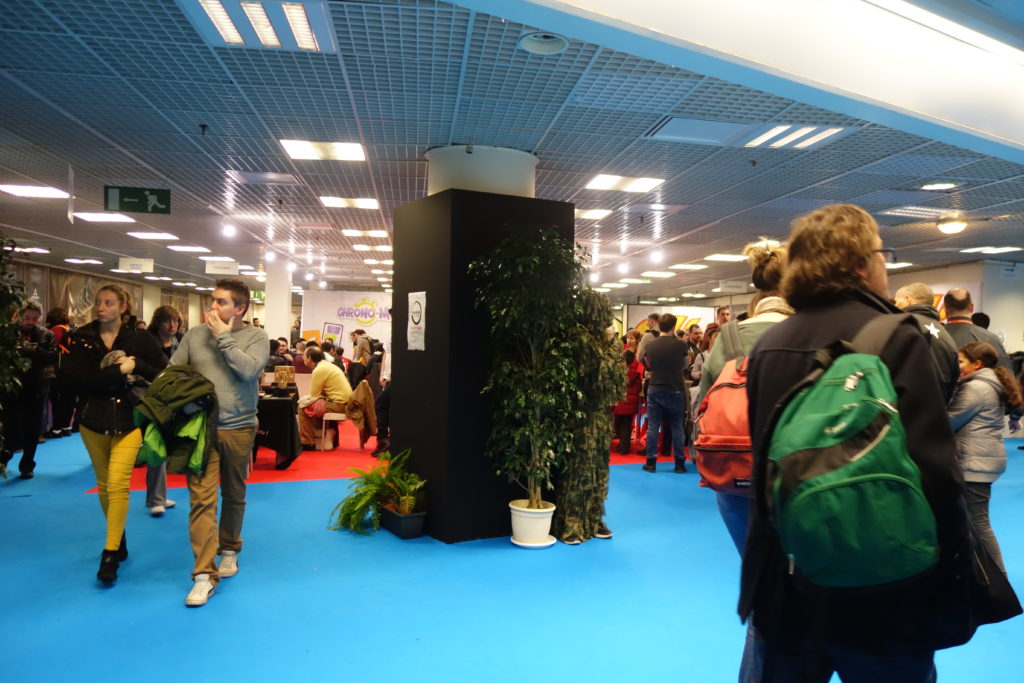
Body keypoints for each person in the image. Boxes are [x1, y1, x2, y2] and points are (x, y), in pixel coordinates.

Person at [741, 204, 971, 681]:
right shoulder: (898, 337)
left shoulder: (769, 345)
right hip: (883, 584)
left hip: (790, 572)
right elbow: (933, 469)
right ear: (861, 263)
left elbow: (765, 459)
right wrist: (949, 564)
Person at [170, 279, 268, 607]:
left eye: (221, 302)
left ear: (240, 308)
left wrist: (223, 338)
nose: (213, 307)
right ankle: (203, 574)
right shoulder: (194, 335)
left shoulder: (256, 337)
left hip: (239, 428)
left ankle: (229, 548)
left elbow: (248, 371)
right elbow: (173, 372)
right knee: (201, 500)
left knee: (234, 493)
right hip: (201, 429)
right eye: (212, 300)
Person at [60, 285, 167, 583]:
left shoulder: (139, 338)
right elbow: (76, 380)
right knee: (105, 485)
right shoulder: (81, 338)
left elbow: (163, 372)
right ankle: (118, 538)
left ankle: (109, 553)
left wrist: (137, 365)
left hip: (129, 421)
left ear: (123, 307)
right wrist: (117, 373)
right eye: (98, 302)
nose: (101, 307)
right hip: (91, 422)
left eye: (108, 303)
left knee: (118, 484)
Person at [948, 341, 1023, 574]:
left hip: (975, 462)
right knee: (973, 522)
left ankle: (998, 578)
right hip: (981, 458)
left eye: (961, 361)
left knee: (979, 524)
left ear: (977, 364)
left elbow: (950, 420)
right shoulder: (987, 383)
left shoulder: (976, 388)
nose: (957, 365)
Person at [1, 302, 57, 479]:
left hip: (36, 386)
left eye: (35, 318)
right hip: (12, 386)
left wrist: (34, 350)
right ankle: (3, 459)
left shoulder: (47, 335)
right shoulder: (8, 333)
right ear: (19, 316)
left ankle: (27, 465)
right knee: (8, 425)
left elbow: (52, 357)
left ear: (40, 318)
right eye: (27, 318)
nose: (31, 322)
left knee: (32, 427)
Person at [145, 305, 184, 516]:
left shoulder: (180, 343)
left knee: (164, 448)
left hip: (173, 399)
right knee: (157, 447)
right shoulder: (148, 343)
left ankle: (155, 496)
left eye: (175, 321)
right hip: (150, 400)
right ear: (158, 322)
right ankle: (156, 499)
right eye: (167, 320)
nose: (172, 325)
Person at [893, 283, 960, 402]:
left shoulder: (900, 325)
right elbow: (954, 376)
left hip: (905, 406)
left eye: (896, 301)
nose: (895, 305)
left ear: (908, 299)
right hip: (938, 406)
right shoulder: (946, 334)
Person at [640, 313, 689, 474]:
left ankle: (651, 462)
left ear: (658, 325)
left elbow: (648, 365)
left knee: (653, 426)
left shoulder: (650, 345)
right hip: (675, 388)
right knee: (677, 427)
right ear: (674, 327)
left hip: (655, 388)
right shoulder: (681, 345)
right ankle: (679, 464)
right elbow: (685, 366)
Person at [298, 346, 353, 450]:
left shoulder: (319, 369)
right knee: (309, 404)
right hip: (343, 403)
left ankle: (307, 442)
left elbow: (314, 395)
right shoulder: (326, 365)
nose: (302, 358)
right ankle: (328, 439)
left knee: (303, 407)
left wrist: (303, 399)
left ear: (309, 358)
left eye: (304, 356)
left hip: (338, 405)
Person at [943, 288, 1012, 371]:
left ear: (945, 309)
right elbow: (1006, 374)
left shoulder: (933, 337)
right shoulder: (990, 339)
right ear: (971, 307)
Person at [45, 306, 75, 439]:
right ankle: (66, 427)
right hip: (71, 370)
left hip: (59, 370)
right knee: (68, 400)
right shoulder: (70, 329)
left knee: (57, 400)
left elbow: (50, 347)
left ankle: (56, 429)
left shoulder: (56, 330)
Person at [612, 349, 642, 455]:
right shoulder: (635, 374)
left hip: (620, 403)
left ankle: (623, 446)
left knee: (618, 425)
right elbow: (639, 388)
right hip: (630, 405)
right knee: (626, 425)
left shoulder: (618, 373)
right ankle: (624, 445)